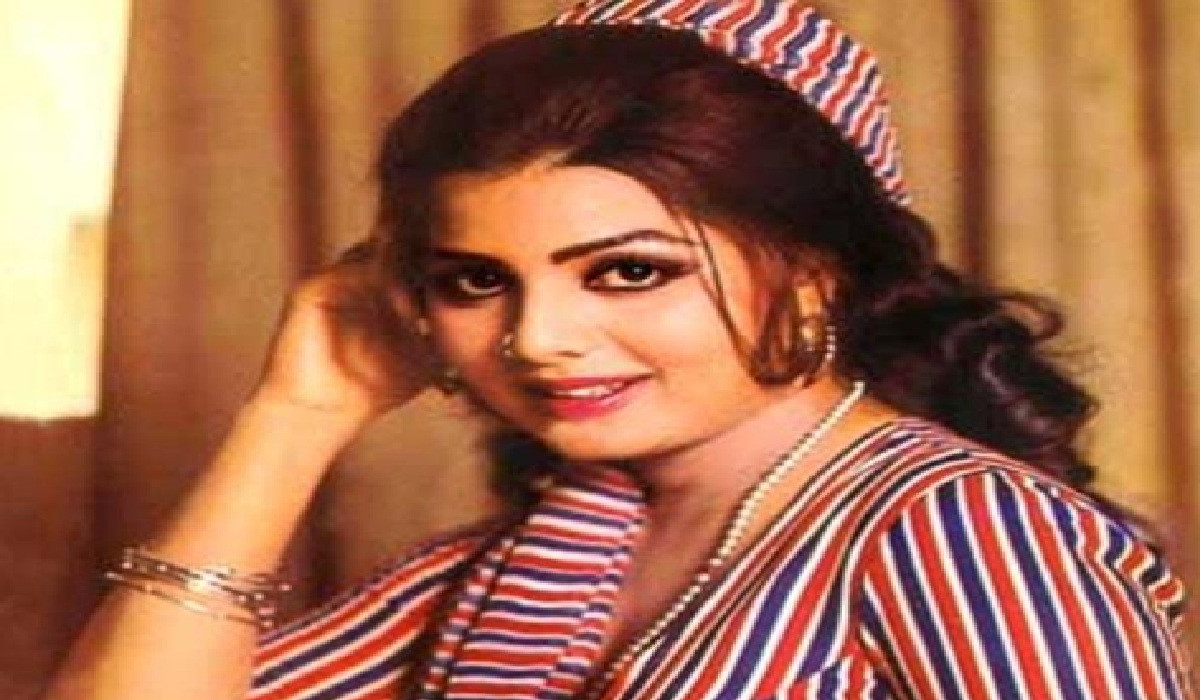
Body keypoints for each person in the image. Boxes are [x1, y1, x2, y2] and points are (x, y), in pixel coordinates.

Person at [47, 1, 1193, 698]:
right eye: (476, 280)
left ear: (813, 268)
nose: (539, 339)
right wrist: (294, 417)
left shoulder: (960, 527)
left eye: (629, 271)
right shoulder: (526, 565)